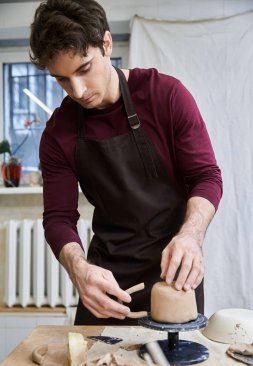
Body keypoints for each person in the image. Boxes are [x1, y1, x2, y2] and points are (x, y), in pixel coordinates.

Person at [29, 0, 222, 325]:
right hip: (105, 279)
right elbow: (59, 218)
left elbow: (206, 176)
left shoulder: (166, 96)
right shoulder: (58, 132)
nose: (76, 91)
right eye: (62, 79)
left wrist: (191, 236)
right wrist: (79, 270)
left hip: (174, 271)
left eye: (83, 69)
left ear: (106, 44)